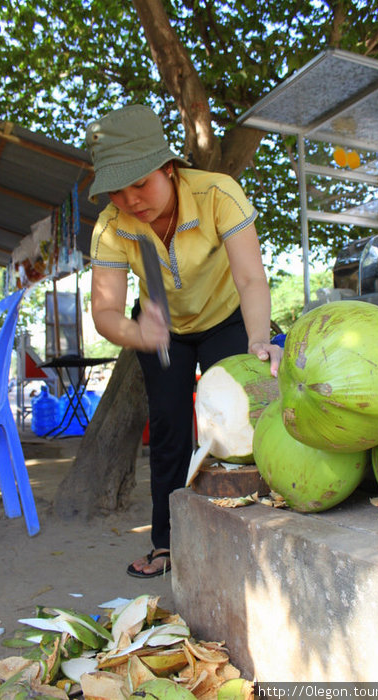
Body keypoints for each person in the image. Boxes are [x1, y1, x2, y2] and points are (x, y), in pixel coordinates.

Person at [87, 104, 282, 577]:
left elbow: (252, 279)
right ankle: (166, 543)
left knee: (237, 424)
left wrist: (259, 339)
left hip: (227, 317)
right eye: (118, 189)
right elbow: (105, 312)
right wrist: (139, 333)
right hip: (160, 330)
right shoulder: (112, 228)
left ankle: (248, 535)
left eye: (141, 183)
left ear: (169, 169)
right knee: (170, 429)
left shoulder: (219, 194)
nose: (131, 200)